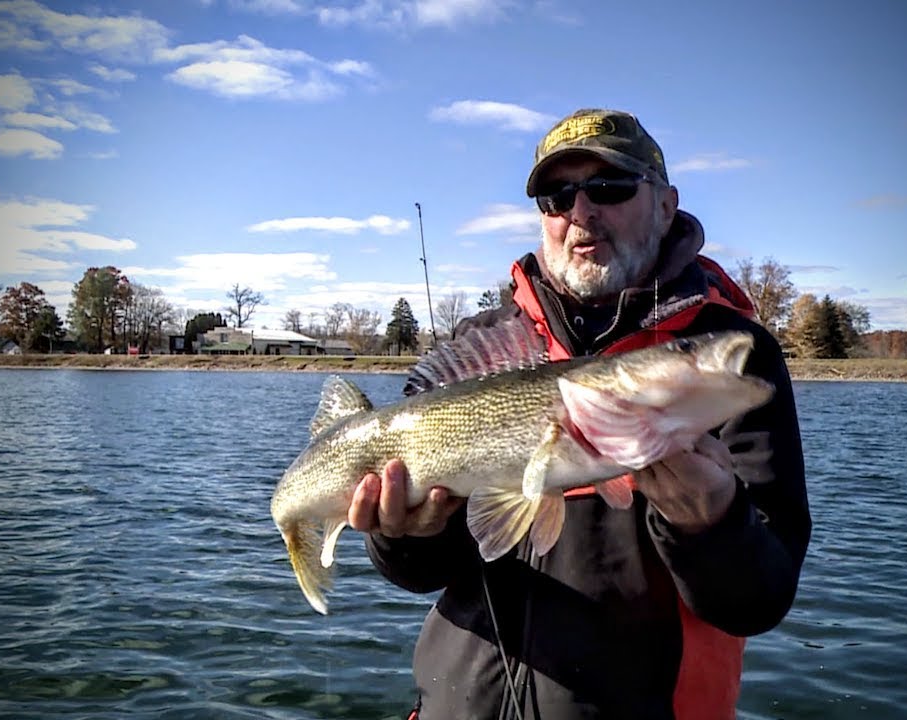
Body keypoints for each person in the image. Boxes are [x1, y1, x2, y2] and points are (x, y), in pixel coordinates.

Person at [348, 108, 811, 720]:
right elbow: (424, 572)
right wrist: (402, 534)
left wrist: (712, 524)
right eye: (556, 195)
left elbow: (760, 599)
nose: (581, 212)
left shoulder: (729, 357)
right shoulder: (481, 344)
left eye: (610, 188)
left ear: (667, 205)